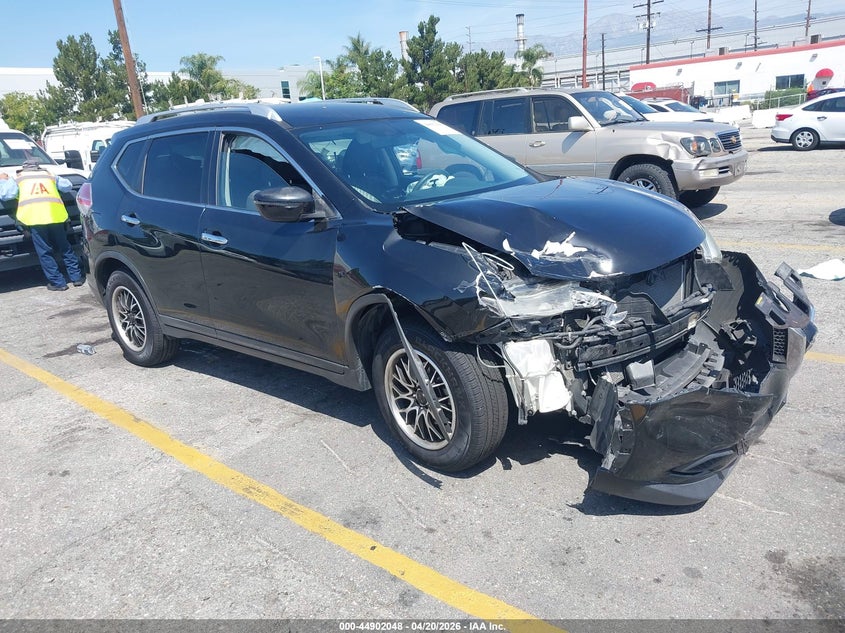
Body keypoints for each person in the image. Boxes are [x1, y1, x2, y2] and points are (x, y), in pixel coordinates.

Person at [0, 160, 84, 291]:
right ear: (38, 167)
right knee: (65, 248)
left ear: (23, 169)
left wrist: (3, 181)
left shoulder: (19, 178)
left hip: (35, 219)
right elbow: (67, 186)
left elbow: (5, 195)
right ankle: (76, 278)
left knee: (45, 252)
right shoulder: (49, 175)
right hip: (56, 216)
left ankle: (58, 283)